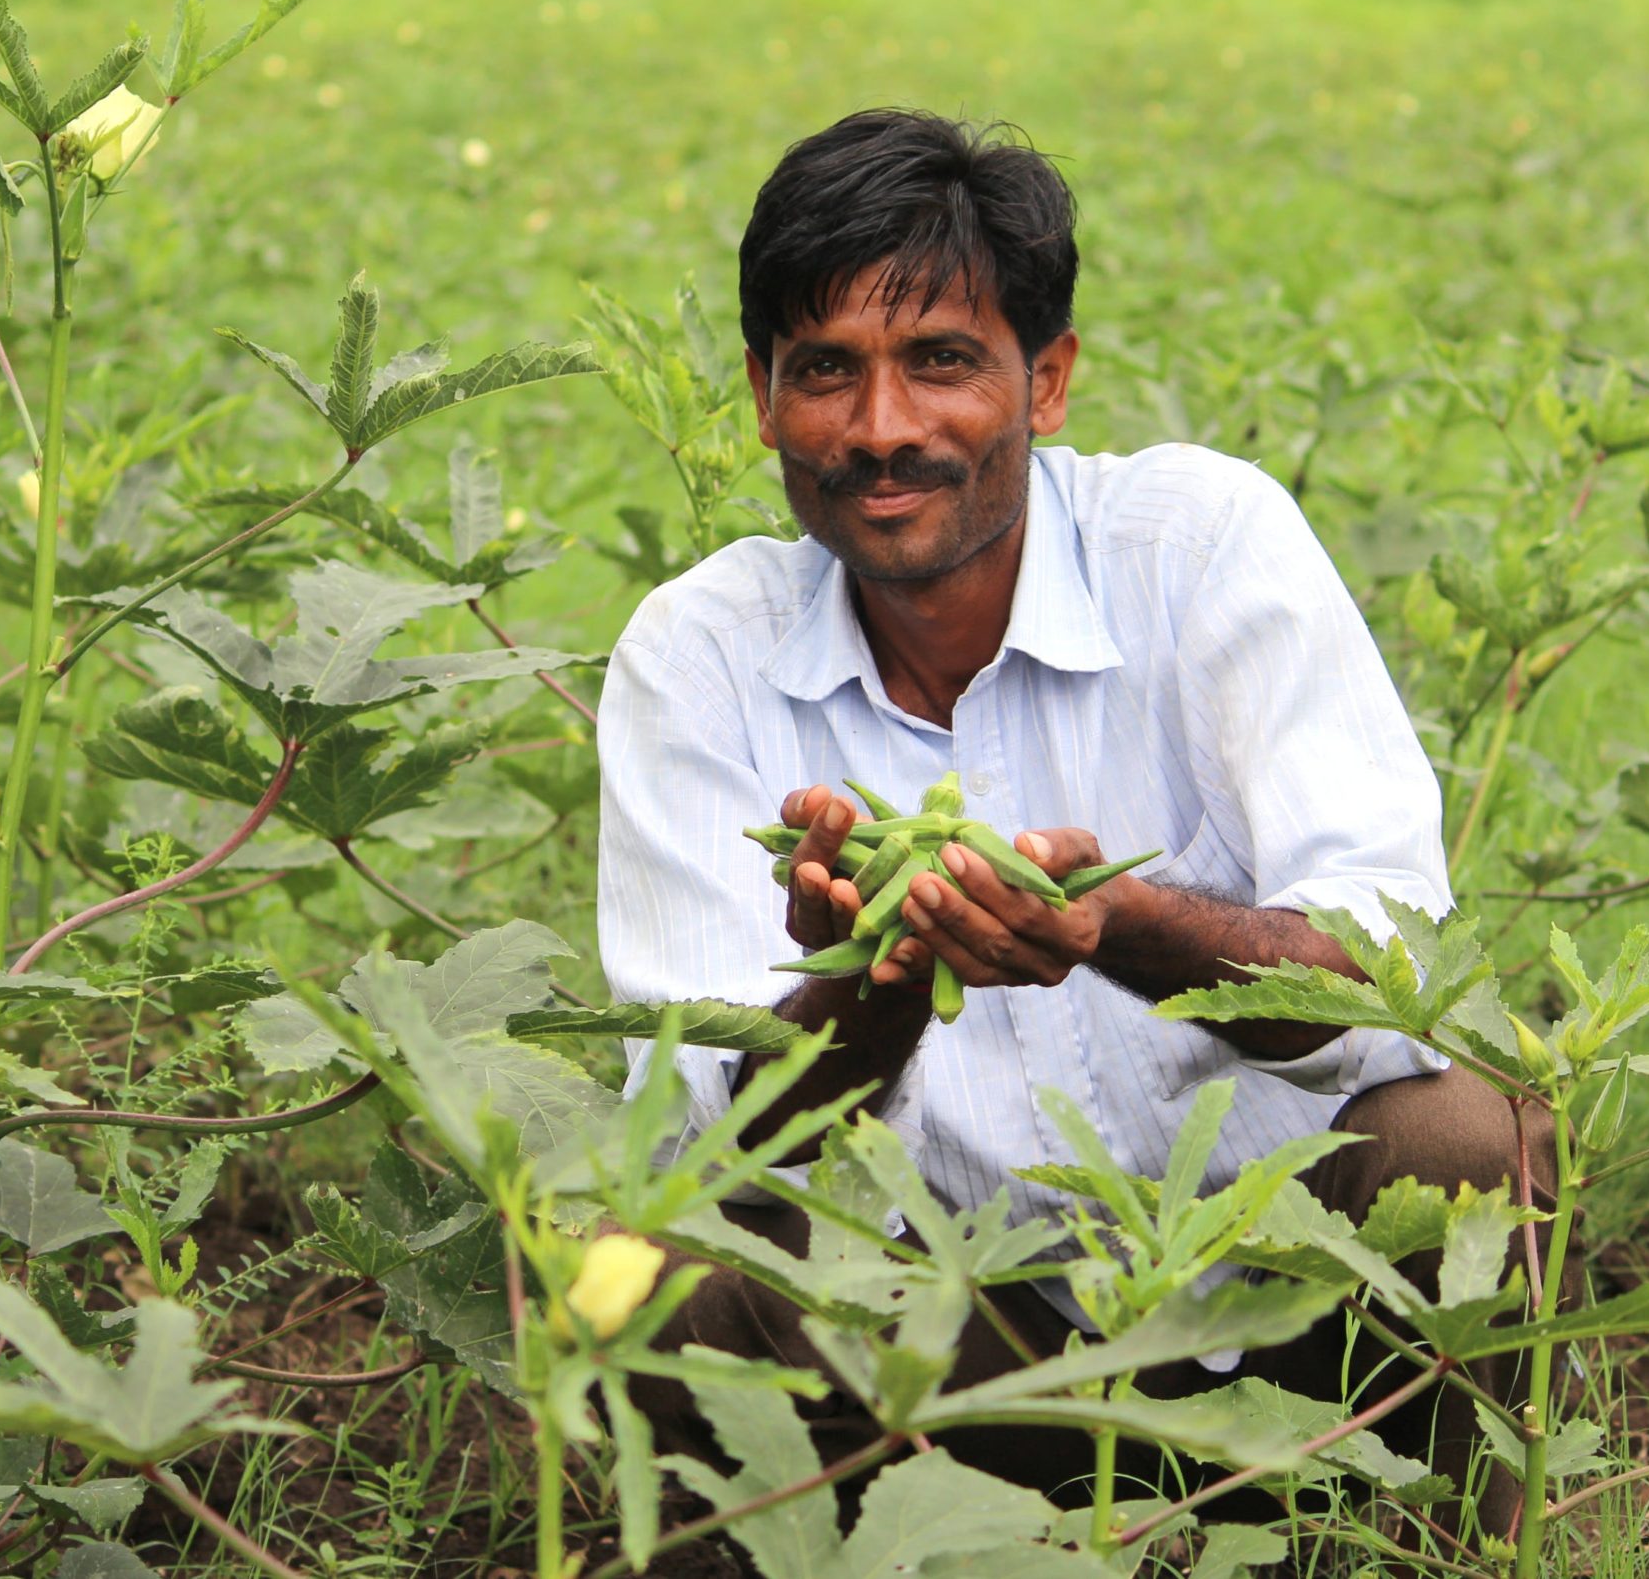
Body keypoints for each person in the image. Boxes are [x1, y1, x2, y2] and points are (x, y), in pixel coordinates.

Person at [594, 108, 1545, 1533]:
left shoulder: (1202, 549)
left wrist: (1125, 924)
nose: (882, 430)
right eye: (825, 373)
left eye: (942, 363)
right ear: (759, 393)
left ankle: (1417, 1540)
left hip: (1300, 1318)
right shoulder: (699, 656)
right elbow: (713, 1152)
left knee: (1475, 1148)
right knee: (650, 1282)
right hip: (960, 1361)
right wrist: (872, 982)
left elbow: (1387, 977)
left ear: (1047, 383)